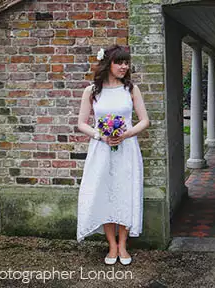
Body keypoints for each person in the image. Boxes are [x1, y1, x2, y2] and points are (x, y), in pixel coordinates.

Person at [76, 45, 150, 266]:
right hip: (101, 150)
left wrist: (126, 134)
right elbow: (81, 123)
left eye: (126, 62)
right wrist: (101, 136)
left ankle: (124, 245)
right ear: (108, 64)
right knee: (106, 193)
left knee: (125, 193)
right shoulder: (92, 91)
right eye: (120, 62)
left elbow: (145, 120)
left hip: (126, 149)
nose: (124, 67)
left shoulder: (131, 89)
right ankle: (112, 245)